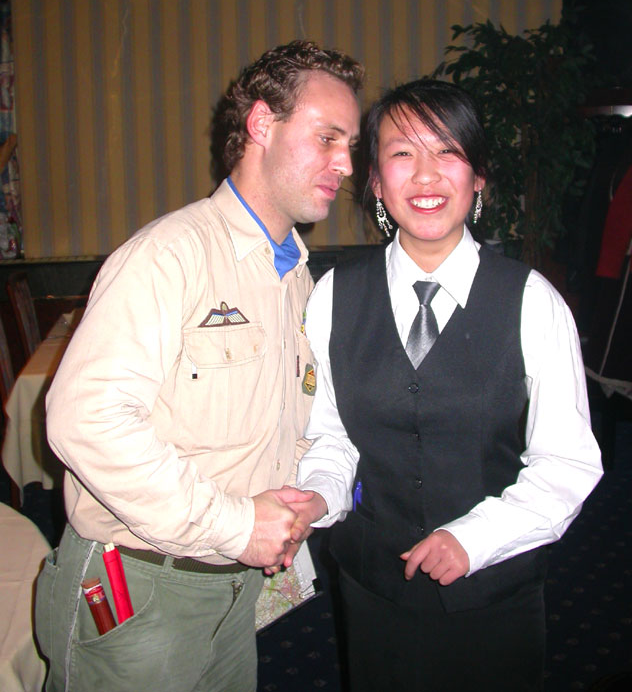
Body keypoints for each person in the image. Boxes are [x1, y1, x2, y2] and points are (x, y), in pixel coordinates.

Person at [35, 40, 364, 692]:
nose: (347, 164)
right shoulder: (170, 255)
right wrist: (236, 525)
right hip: (140, 591)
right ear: (262, 124)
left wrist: (308, 493)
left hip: (236, 594)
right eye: (328, 138)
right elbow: (84, 420)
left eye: (350, 144)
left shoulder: (297, 278)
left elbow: (286, 424)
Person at [290, 78, 603, 692]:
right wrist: (319, 496)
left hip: (493, 596)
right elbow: (330, 435)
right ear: (376, 181)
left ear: (478, 176)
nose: (426, 174)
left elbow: (567, 462)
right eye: (402, 153)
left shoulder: (532, 301)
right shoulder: (332, 296)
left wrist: (473, 538)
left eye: (448, 151)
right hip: (373, 592)